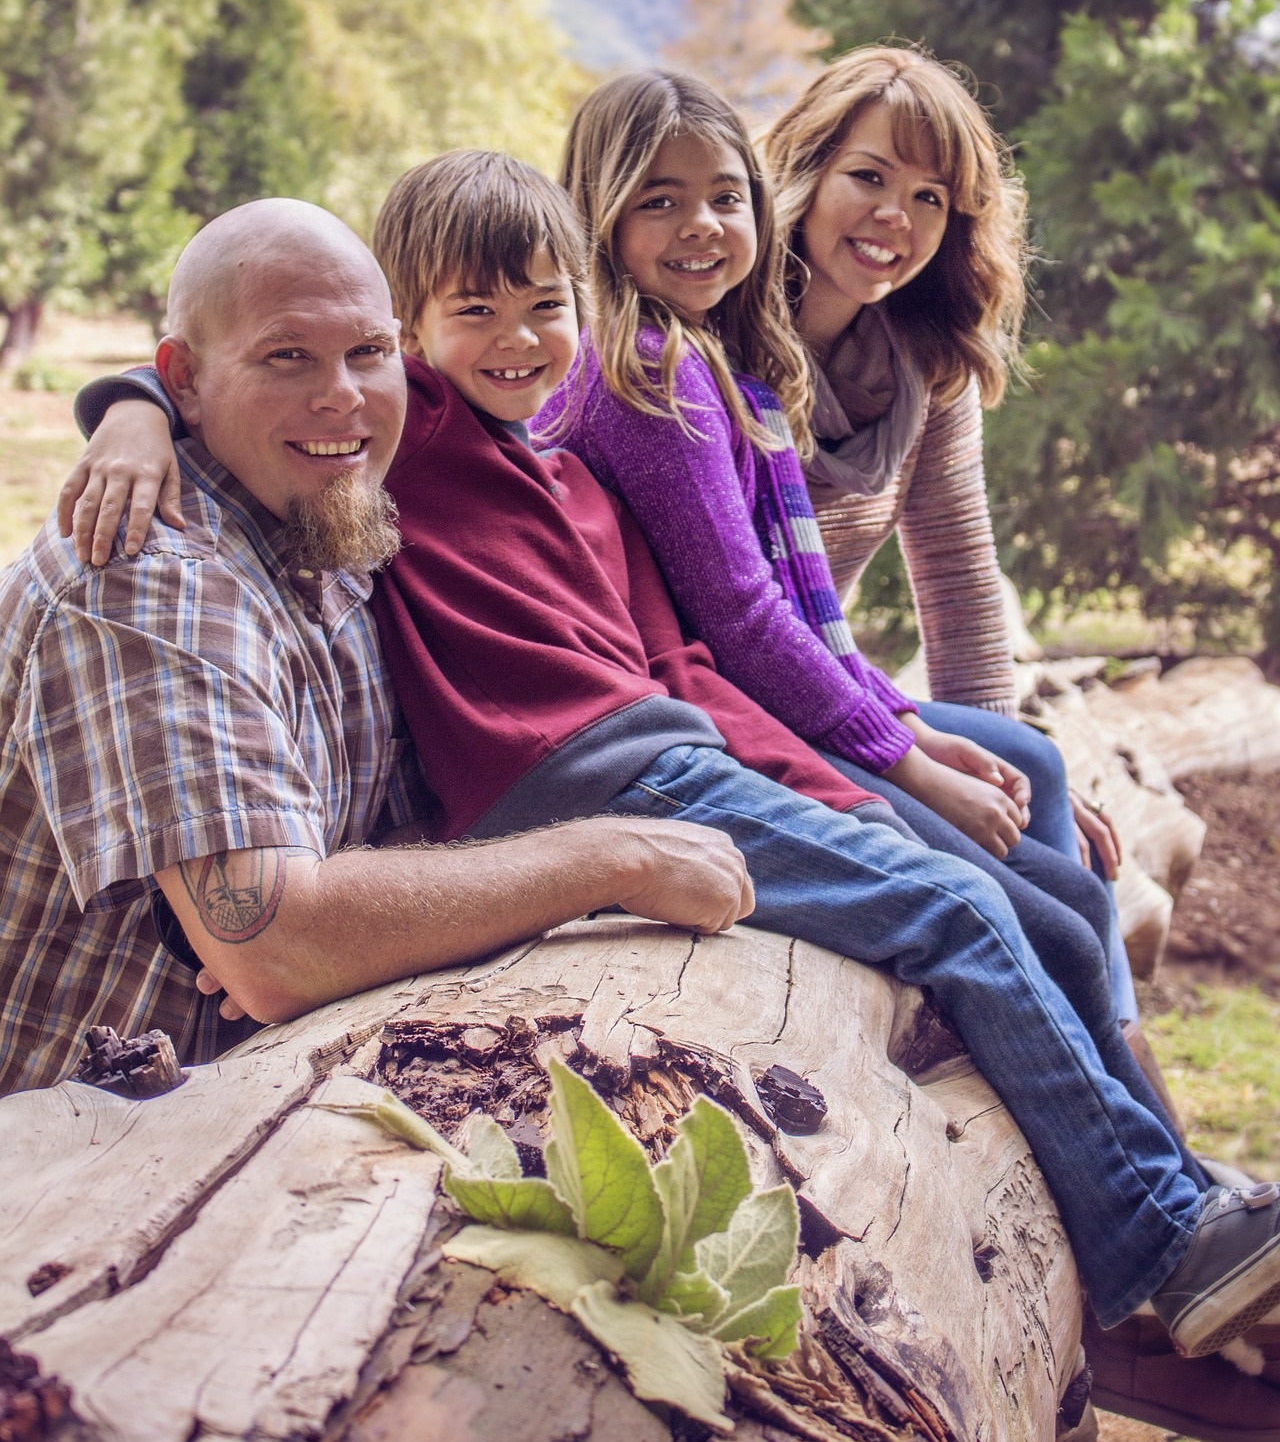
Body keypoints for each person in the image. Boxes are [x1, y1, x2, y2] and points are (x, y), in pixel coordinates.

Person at [60, 158, 1280, 1368]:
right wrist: (127, 406)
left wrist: (846, 790)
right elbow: (277, 348)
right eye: (470, 313)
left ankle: (1161, 1209)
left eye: (545, 307)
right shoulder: (412, 437)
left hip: (672, 764)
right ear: (425, 332)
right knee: (957, 911)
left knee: (993, 897)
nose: (513, 338)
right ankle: (1154, 1240)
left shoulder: (568, 475)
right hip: (574, 788)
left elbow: (684, 671)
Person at [0, 199, 755, 1098]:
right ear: (184, 384)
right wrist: (616, 859)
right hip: (68, 1161)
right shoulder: (149, 581)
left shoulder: (336, 528)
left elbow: (355, 865)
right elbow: (276, 951)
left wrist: (322, 909)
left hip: (253, 1095)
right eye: (289, 357)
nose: (342, 395)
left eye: (368, 353)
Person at [540, 66, 1140, 1024]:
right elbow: (742, 611)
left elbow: (956, 574)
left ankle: (1132, 1080)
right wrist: (919, 766)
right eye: (869, 177)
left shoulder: (921, 362)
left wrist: (992, 787)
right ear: (805, 174)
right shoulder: (712, 329)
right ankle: (1119, 1101)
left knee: (1037, 772)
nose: (895, 216)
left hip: (827, 673)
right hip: (733, 693)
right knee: (1035, 896)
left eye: (930, 197)